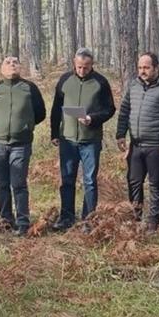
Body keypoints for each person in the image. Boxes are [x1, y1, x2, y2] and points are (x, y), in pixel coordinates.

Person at [49, 48, 116, 230]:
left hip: (90, 140)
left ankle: (88, 219)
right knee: (67, 179)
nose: (82, 70)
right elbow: (56, 108)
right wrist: (54, 133)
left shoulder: (100, 82)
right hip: (67, 139)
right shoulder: (64, 80)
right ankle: (66, 217)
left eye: (86, 67)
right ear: (74, 63)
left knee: (89, 181)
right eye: (79, 67)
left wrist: (92, 118)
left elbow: (110, 109)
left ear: (92, 65)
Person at [116, 52, 159, 232]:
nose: (142, 71)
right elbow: (124, 111)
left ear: (156, 68)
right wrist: (120, 134)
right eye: (140, 68)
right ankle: (135, 216)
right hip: (136, 144)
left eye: (146, 67)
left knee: (156, 183)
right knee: (134, 181)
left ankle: (154, 220)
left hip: (158, 144)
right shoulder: (134, 85)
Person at [0, 56, 46, 236]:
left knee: (18, 183)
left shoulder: (29, 88)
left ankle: (23, 221)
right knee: (1, 183)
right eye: (8, 63)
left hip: (21, 144)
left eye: (15, 62)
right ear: (1, 69)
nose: (12, 65)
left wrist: (25, 126)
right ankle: (5, 220)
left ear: (20, 67)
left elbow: (40, 113)